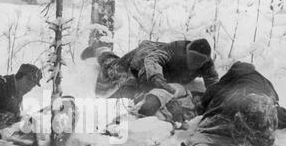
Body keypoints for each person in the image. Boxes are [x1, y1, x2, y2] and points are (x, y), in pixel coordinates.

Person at [181, 62, 286, 146]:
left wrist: (202, 107)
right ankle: (252, 141)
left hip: (236, 103)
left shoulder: (230, 77)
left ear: (233, 70)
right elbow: (275, 102)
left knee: (209, 128)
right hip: (264, 106)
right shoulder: (265, 82)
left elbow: (210, 93)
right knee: (262, 116)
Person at [81, 38, 219, 100]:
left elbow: (213, 84)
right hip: (144, 57)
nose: (196, 63)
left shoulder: (207, 65)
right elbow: (153, 59)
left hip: (163, 72)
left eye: (200, 61)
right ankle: (101, 50)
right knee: (113, 69)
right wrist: (157, 78)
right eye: (193, 58)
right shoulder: (176, 48)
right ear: (186, 52)